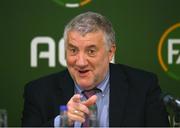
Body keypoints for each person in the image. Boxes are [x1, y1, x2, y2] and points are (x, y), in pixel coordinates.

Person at [22, 11, 169, 127]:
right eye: (73, 50)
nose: (80, 62)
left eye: (91, 51)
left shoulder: (143, 87)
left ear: (110, 52)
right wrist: (61, 122)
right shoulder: (38, 91)